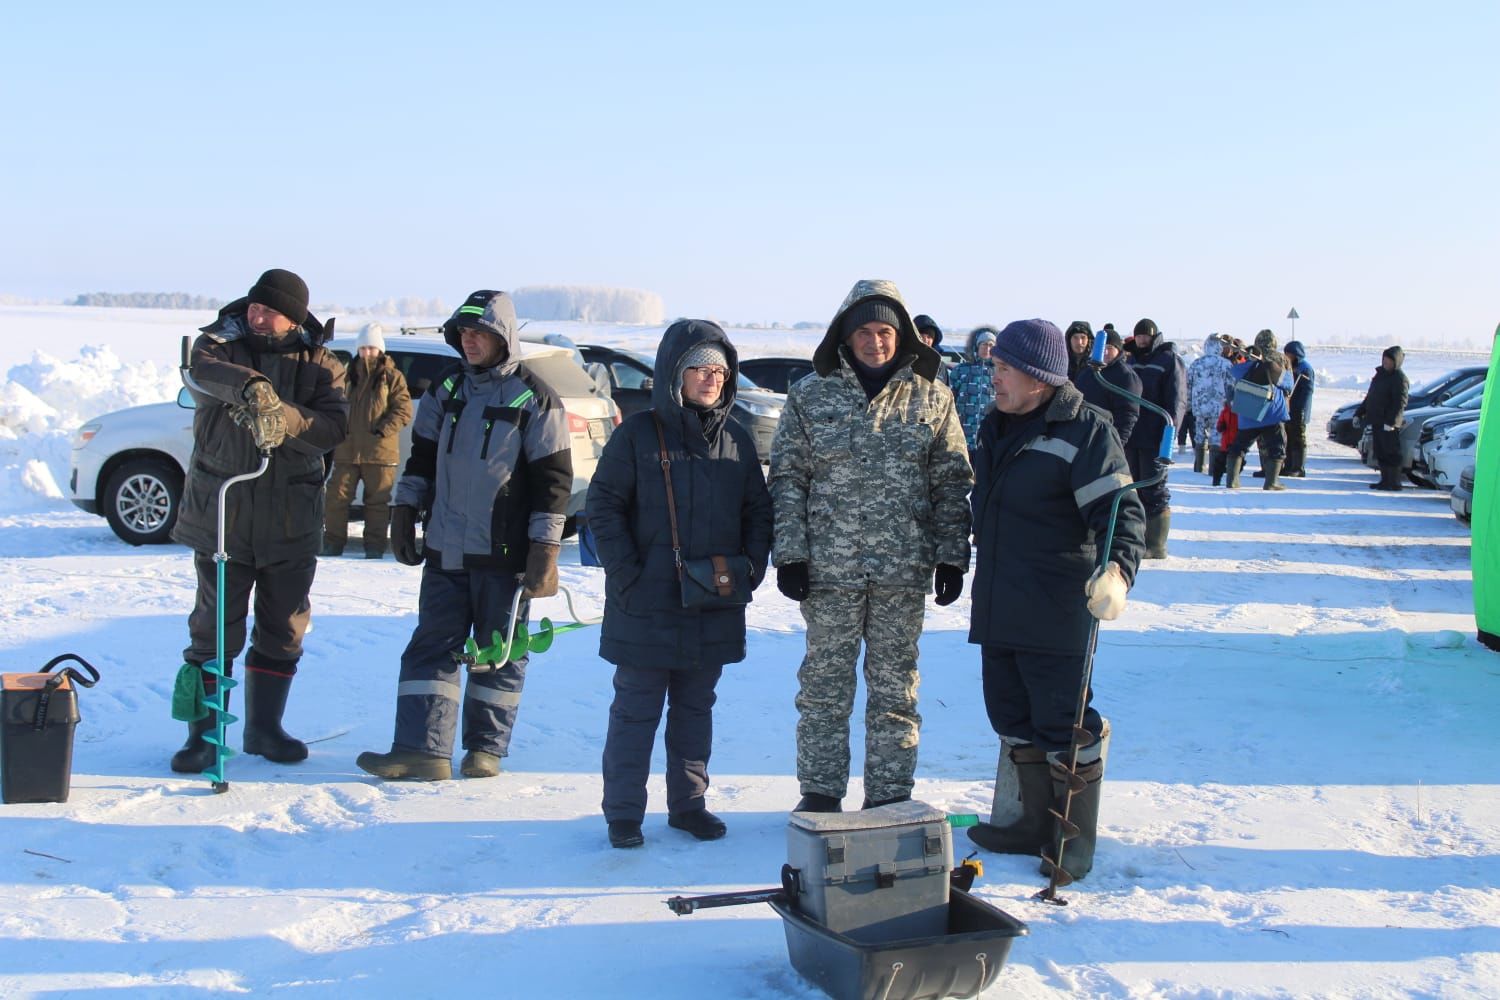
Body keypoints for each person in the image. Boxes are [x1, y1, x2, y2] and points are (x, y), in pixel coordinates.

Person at [769, 279, 973, 813]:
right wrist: (790, 552)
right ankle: (819, 793)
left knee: (895, 692)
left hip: (902, 572)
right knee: (823, 689)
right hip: (829, 572)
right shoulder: (811, 393)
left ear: (901, 335)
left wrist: (952, 553)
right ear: (846, 333)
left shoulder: (933, 395)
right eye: (864, 331)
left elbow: (951, 481)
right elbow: (788, 477)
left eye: (885, 332)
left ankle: (888, 797)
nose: (875, 342)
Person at [356, 290, 571, 780]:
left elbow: (553, 483)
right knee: (432, 646)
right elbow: (422, 459)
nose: (470, 342)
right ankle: (421, 751)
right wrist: (404, 509)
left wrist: (545, 549)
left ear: (503, 338)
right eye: (465, 334)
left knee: (497, 654)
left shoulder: (535, 398)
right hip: (446, 551)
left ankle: (485, 750)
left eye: (481, 334)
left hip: (505, 555)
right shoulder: (445, 389)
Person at [965, 319, 1145, 881]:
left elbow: (1120, 513)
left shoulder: (1085, 432)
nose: (993, 376)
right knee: (1010, 715)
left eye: (1003, 369)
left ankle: (1072, 840)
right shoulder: (998, 425)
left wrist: (1117, 571)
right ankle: (1030, 824)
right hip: (999, 601)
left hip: (1055, 607)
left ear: (1039, 378)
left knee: (1062, 723)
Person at [586, 320, 773, 849]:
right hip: (645, 602)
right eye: (699, 367)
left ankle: (689, 805)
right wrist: (627, 570)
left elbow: (758, 512)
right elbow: (602, 506)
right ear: (674, 374)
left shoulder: (735, 438)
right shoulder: (637, 434)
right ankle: (624, 813)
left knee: (695, 709)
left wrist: (749, 567)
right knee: (635, 711)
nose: (711, 378)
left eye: (720, 369)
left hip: (713, 599)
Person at [169, 268, 349, 773]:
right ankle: (202, 736)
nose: (256, 315)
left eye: (267, 310)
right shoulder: (220, 343)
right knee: (212, 629)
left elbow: (333, 425)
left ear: (292, 318)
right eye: (253, 306)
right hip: (222, 515)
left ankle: (265, 728)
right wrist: (253, 389)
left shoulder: (321, 364)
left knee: (283, 629)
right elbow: (200, 370)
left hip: (289, 518)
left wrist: (284, 416)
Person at [322, 322, 412, 558]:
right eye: (363, 348)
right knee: (335, 499)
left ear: (380, 349)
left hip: (380, 452)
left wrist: (382, 430)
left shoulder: (392, 376)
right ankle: (332, 544)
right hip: (347, 450)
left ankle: (374, 548)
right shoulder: (347, 374)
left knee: (377, 504)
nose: (367, 353)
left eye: (371, 348)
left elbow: (403, 410)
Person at [1122, 318, 1186, 558]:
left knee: (1154, 488)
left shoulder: (1169, 360)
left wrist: (1170, 434)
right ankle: (1139, 539)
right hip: (1132, 435)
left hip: (1155, 435)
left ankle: (1157, 544)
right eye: (1138, 336)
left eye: (1145, 336)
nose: (1141, 340)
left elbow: (1177, 401)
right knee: (1133, 488)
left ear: (1154, 336)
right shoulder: (1131, 360)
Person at [1224, 329, 1294, 490]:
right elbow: (1288, 383)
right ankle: (1272, 482)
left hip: (1248, 410)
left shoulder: (1239, 368)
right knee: (1276, 446)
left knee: (1239, 446)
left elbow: (1230, 388)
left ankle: (1232, 481)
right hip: (1271, 412)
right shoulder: (1276, 361)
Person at [1072, 325, 1141, 446]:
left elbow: (1128, 414)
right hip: (1083, 437)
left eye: (1110, 348)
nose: (1105, 352)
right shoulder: (1087, 373)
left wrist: (1116, 444)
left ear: (1118, 350)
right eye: (1102, 347)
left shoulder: (1126, 376)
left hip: (1107, 439)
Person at [1359, 346, 1409, 491]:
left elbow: (1400, 402)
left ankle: (1393, 482)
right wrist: (1360, 412)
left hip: (1389, 423)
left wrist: (1392, 422)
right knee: (1380, 451)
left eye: (1389, 361)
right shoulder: (1380, 375)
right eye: (1384, 360)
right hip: (1377, 420)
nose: (1385, 363)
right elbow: (1370, 397)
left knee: (1391, 452)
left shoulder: (1399, 378)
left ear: (1396, 362)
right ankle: (1385, 480)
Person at [1187, 333, 1233, 474]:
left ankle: (1199, 466)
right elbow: (1231, 386)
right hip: (1218, 406)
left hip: (1199, 407)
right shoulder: (1226, 364)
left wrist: (1188, 404)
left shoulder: (1196, 363)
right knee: (1216, 436)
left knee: (1200, 435)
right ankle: (1214, 468)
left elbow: (1188, 385)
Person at [950, 326, 999, 452]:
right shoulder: (961, 370)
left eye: (991, 345)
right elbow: (949, 400)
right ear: (977, 346)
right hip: (961, 436)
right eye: (984, 344)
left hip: (988, 437)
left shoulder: (999, 373)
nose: (987, 349)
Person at [1282, 341, 1315, 477]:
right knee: (1288, 439)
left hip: (1299, 409)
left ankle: (1298, 467)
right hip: (1288, 408)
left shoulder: (1304, 368)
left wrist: (1300, 409)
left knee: (1298, 439)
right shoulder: (1288, 367)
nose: (1287, 356)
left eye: (1289, 353)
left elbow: (1307, 391)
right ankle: (1289, 465)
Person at [912, 314, 949, 384]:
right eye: (920, 336)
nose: (925, 340)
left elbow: (947, 391)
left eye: (929, 337)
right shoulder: (904, 361)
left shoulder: (940, 366)